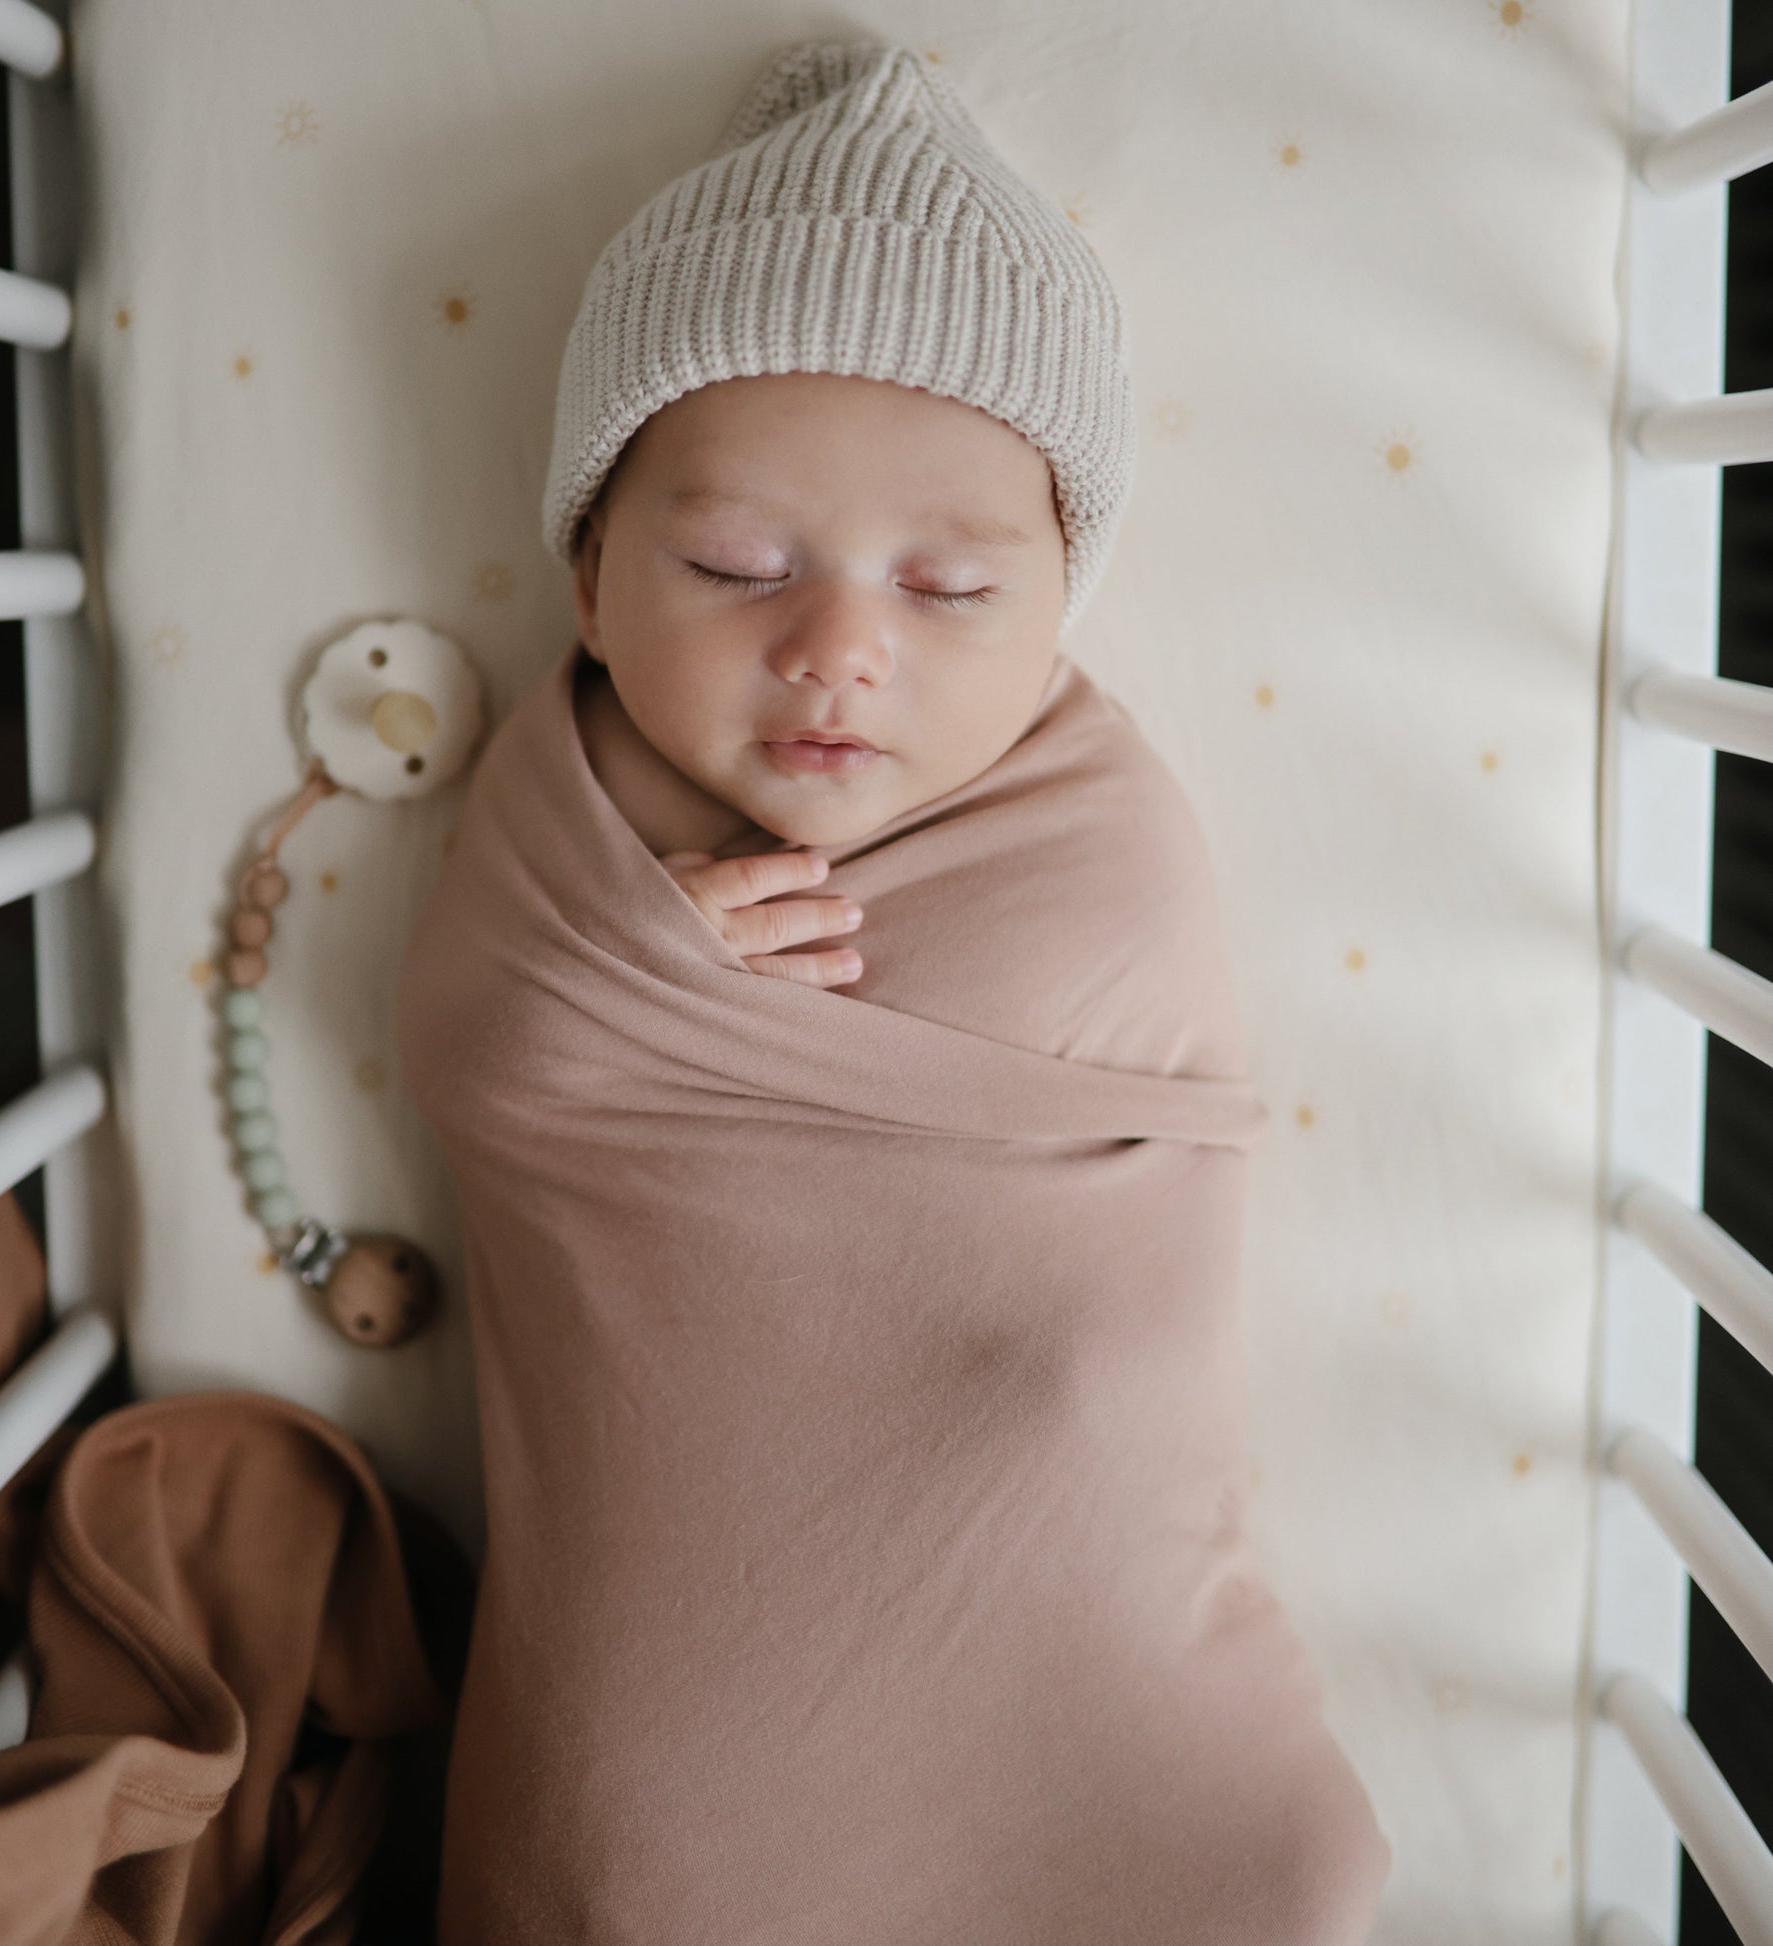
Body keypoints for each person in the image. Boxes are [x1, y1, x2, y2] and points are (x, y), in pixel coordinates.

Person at [400, 39, 1393, 1942]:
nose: (838, 645)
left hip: (1064, 1542)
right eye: (732, 562)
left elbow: (1140, 1151)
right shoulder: (555, 806)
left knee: (1230, 1848)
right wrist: (621, 987)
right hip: (683, 1650)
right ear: (589, 579)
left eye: (946, 589)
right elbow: (472, 1058)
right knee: (643, 1855)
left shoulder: (1098, 827)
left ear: (1056, 605)